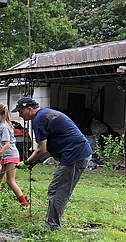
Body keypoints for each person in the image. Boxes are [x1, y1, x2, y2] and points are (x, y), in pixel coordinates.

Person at [13, 97, 92, 230]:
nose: (19, 115)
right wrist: (34, 161)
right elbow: (49, 146)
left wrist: (27, 162)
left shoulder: (39, 120)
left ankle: (52, 227)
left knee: (58, 190)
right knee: (58, 189)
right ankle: (52, 224)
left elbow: (41, 149)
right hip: (78, 152)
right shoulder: (45, 114)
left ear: (29, 109)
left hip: (75, 154)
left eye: (20, 111)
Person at [0, 103, 29, 207]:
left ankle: (25, 203)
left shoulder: (5, 126)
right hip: (5, 156)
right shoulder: (2, 125)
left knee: (10, 181)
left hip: (11, 156)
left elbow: (7, 144)